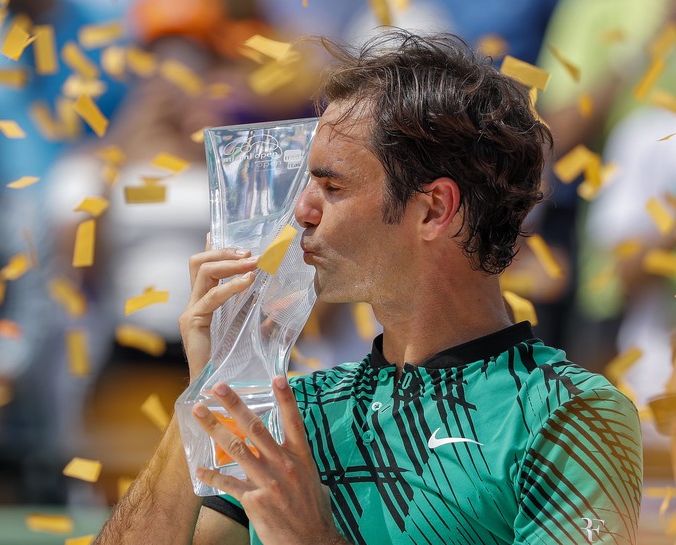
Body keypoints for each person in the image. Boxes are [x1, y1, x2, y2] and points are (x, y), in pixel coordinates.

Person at [93, 30, 642, 545]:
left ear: (435, 210)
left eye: (332, 186)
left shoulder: (569, 413)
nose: (301, 211)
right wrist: (206, 390)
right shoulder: (296, 410)